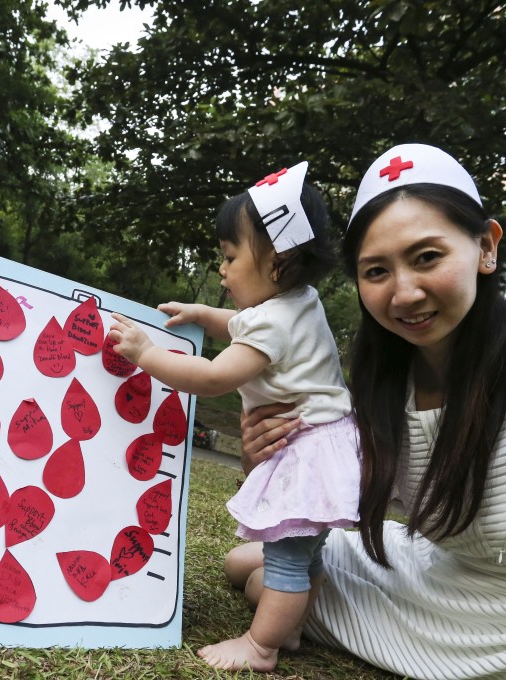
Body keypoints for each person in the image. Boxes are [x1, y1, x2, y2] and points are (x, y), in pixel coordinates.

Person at [230, 143, 506, 678]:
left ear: (486, 248)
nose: (404, 293)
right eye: (376, 271)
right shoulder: (383, 389)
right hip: (436, 575)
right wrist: (264, 458)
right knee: (247, 564)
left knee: (275, 588)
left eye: (427, 257)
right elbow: (323, 498)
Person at [108, 162, 361, 672]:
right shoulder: (297, 302)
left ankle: (261, 646)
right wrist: (204, 315)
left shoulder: (276, 320)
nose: (222, 269)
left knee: (288, 558)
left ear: (278, 261)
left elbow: (214, 377)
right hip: (326, 446)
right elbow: (244, 324)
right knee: (304, 556)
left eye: (229, 257)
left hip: (306, 454)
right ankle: (287, 631)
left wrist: (145, 353)